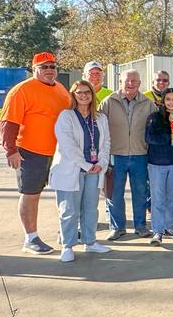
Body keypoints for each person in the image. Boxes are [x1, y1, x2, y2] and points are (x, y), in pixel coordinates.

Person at [0, 52, 71, 255]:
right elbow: (8, 123)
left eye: (52, 66)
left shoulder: (60, 89)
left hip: (58, 153)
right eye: (44, 67)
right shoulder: (22, 90)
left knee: (64, 192)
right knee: (30, 194)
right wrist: (11, 150)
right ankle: (30, 238)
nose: (49, 70)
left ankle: (66, 231)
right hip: (30, 152)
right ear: (34, 70)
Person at [50, 80, 112, 262]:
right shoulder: (66, 116)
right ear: (73, 95)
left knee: (90, 209)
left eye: (87, 92)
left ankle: (90, 242)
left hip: (95, 170)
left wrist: (102, 162)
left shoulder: (100, 118)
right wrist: (86, 165)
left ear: (93, 95)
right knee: (69, 210)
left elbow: (106, 142)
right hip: (72, 169)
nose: (84, 95)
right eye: (79, 93)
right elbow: (67, 146)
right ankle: (68, 246)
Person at [100, 69, 157, 241]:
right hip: (115, 155)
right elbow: (99, 128)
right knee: (114, 193)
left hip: (140, 154)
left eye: (134, 80)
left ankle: (140, 226)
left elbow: (155, 129)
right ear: (120, 83)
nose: (130, 83)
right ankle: (117, 227)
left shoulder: (148, 104)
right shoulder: (109, 102)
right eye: (127, 80)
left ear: (140, 83)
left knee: (140, 192)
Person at [145, 87, 173, 246]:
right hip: (157, 163)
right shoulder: (154, 117)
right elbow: (149, 137)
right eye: (168, 99)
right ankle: (157, 230)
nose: (171, 102)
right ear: (163, 101)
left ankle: (168, 226)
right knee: (158, 197)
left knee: (171, 197)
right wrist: (170, 136)